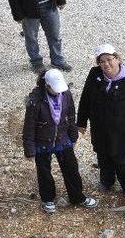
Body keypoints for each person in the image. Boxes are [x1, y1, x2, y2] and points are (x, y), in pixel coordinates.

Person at [22, 69, 98, 213]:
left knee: (71, 168)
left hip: (62, 138)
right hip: (42, 141)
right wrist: (29, 149)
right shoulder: (35, 100)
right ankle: (48, 199)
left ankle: (77, 197)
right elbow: (29, 126)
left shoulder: (66, 94)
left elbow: (70, 116)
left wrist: (73, 136)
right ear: (47, 85)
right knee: (44, 171)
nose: (58, 92)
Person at [76, 44, 125, 197]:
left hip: (120, 129)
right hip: (99, 126)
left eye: (109, 59)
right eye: (102, 61)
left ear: (118, 59)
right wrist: (81, 122)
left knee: (120, 158)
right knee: (102, 155)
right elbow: (86, 98)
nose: (106, 64)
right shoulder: (95, 74)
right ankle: (107, 181)